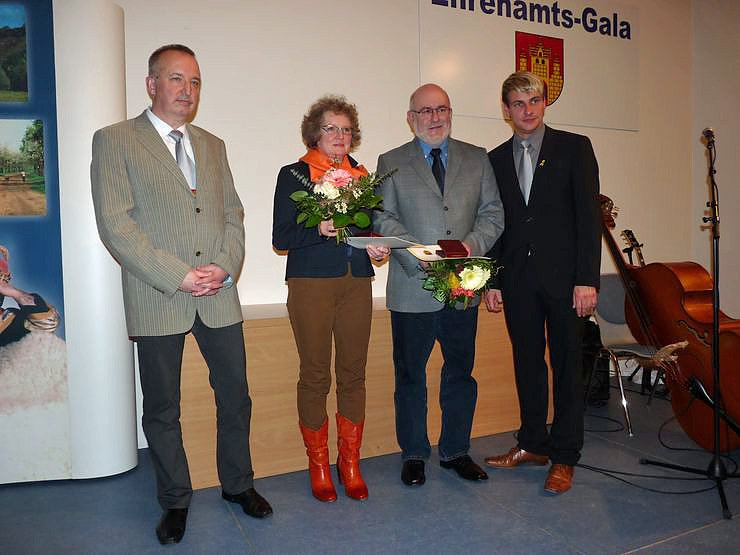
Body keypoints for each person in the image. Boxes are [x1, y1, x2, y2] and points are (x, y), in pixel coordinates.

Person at [91, 44, 271, 545]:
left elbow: (233, 214)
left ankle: (238, 485)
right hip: (158, 294)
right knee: (162, 408)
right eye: (176, 79)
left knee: (235, 397)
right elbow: (116, 225)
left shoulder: (213, 145)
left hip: (218, 295)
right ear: (152, 84)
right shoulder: (115, 140)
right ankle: (175, 500)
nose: (186, 90)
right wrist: (179, 275)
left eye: (194, 82)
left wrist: (226, 267)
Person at [371, 84, 504, 487]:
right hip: (413, 287)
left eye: (441, 109)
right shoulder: (391, 161)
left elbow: (493, 214)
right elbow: (382, 217)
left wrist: (470, 246)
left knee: (461, 373)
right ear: (410, 118)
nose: (435, 117)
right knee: (410, 376)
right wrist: (420, 254)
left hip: (463, 286)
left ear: (450, 113)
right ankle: (414, 453)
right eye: (425, 111)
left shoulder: (477, 158)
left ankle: (456, 451)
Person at [483, 71, 601, 495]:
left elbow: (589, 218)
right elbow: (495, 224)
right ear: (506, 110)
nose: (527, 110)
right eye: (518, 103)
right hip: (518, 281)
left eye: (534, 100)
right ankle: (533, 444)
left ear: (545, 103)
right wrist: (493, 279)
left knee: (567, 366)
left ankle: (565, 456)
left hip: (567, 282)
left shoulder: (574, 147)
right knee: (527, 364)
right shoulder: (495, 159)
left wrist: (587, 279)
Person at [272, 95, 388, 503]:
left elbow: (370, 229)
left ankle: (350, 463)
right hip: (311, 283)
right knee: (315, 374)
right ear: (314, 133)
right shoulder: (294, 175)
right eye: (331, 128)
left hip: (357, 282)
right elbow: (281, 237)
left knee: (354, 373)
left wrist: (378, 247)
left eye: (346, 130)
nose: (340, 136)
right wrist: (317, 228)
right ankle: (319, 464)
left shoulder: (363, 177)